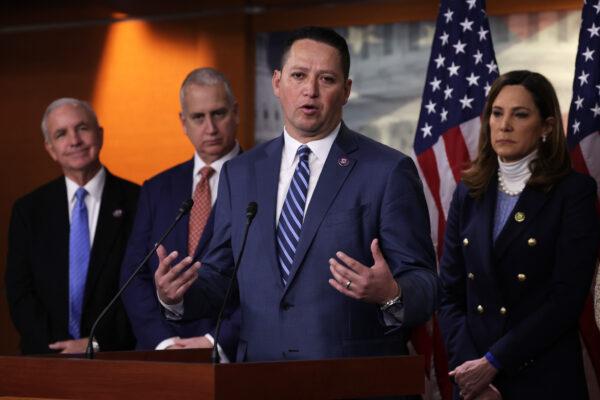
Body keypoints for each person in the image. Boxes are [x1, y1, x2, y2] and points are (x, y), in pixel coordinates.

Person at [155, 26, 438, 363]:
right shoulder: (240, 173)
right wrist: (175, 295)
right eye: (299, 75)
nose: (310, 91)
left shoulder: (387, 171)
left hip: (351, 379)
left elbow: (425, 283)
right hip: (260, 377)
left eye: (327, 80)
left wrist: (391, 293)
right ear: (277, 82)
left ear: (346, 91)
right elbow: (220, 279)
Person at [438, 70, 600, 400]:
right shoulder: (468, 193)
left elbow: (566, 299)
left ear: (547, 127)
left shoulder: (574, 193)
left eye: (520, 114)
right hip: (475, 383)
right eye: (497, 113)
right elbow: (450, 295)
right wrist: (474, 373)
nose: (504, 124)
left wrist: (494, 362)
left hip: (541, 377)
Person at [120, 68, 240, 360]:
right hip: (164, 354)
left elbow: (271, 284)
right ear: (183, 122)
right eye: (198, 117)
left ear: (235, 113)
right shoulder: (157, 188)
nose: (210, 127)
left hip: (233, 354)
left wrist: (217, 340)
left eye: (219, 113)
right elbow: (133, 276)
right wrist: (164, 342)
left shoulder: (264, 180)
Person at [5, 98, 139, 354]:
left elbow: (141, 286)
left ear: (100, 135)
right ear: (51, 148)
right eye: (61, 134)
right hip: (45, 358)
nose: (74, 140)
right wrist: (58, 346)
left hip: (118, 356)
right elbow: (19, 290)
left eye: (82, 128)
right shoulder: (28, 210)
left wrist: (98, 343)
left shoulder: (139, 201)